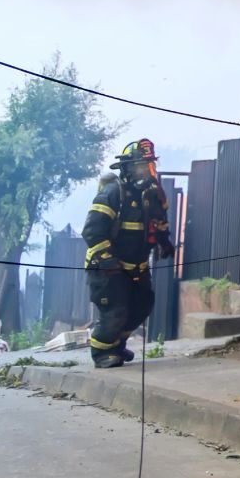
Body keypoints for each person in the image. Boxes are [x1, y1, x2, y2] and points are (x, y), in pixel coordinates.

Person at [84, 139, 172, 368]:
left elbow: (159, 222)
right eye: (141, 166)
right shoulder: (113, 194)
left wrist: (165, 242)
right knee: (116, 308)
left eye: (149, 165)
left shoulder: (152, 195)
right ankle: (101, 353)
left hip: (137, 266)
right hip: (107, 267)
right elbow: (92, 232)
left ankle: (116, 346)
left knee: (142, 304)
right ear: (127, 168)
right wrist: (108, 260)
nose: (146, 171)